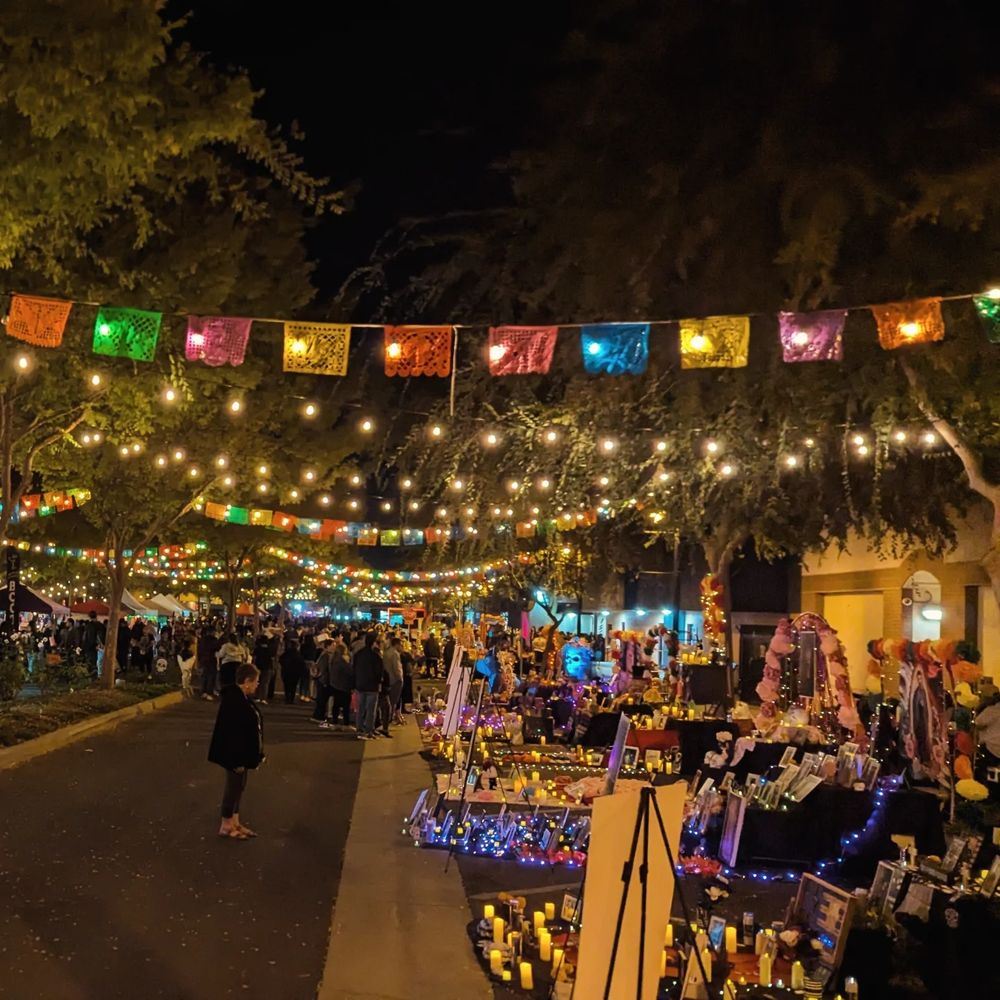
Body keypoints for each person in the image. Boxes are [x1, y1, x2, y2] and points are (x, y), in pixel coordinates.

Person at [207, 663, 265, 840]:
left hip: (242, 754)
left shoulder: (242, 699)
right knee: (233, 787)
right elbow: (232, 732)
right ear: (247, 681)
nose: (257, 685)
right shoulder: (234, 701)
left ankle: (235, 821)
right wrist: (238, 757)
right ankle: (226, 824)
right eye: (256, 681)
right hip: (234, 755)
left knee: (239, 787)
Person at [352, 632, 384, 740]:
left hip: (360, 685)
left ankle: (359, 728)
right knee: (371, 710)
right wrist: (379, 681)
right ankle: (369, 730)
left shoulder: (358, 654)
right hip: (372, 686)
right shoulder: (376, 656)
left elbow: (354, 668)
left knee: (360, 708)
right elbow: (379, 672)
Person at [325, 638, 353, 730]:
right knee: (345, 706)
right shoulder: (342, 662)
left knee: (336, 705)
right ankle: (346, 724)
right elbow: (350, 672)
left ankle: (335, 722)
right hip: (344, 686)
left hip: (334, 684)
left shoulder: (333, 660)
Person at [380, 636, 404, 732]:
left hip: (387, 680)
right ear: (397, 644)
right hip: (394, 680)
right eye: (400, 645)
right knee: (393, 701)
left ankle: (385, 721)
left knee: (387, 702)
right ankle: (387, 722)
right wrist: (400, 678)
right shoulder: (395, 654)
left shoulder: (386, 653)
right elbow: (397, 668)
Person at [311, 639, 335, 721]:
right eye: (333, 645)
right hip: (323, 680)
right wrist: (324, 681)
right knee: (322, 700)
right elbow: (323, 669)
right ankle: (318, 716)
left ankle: (318, 715)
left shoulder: (324, 654)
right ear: (327, 646)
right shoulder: (326, 656)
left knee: (322, 699)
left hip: (321, 680)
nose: (334, 647)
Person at [280, 636, 306, 705]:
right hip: (295, 673)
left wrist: (284, 666)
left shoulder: (286, 653)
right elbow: (301, 664)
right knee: (293, 686)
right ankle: (291, 699)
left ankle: (287, 698)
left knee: (287, 686)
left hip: (286, 671)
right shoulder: (298, 654)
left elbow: (281, 660)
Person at [199, 626, 221, 700]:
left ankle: (203, 692)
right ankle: (208, 692)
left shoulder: (202, 640)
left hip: (203, 659)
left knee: (204, 676)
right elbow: (218, 647)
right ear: (213, 632)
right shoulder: (214, 640)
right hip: (211, 659)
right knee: (211, 677)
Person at [252, 633, 273, 704]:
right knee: (265, 683)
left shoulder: (257, 649)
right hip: (267, 667)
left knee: (257, 682)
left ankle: (257, 696)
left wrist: (253, 665)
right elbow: (272, 659)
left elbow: (254, 659)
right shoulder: (270, 649)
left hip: (258, 667)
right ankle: (263, 698)